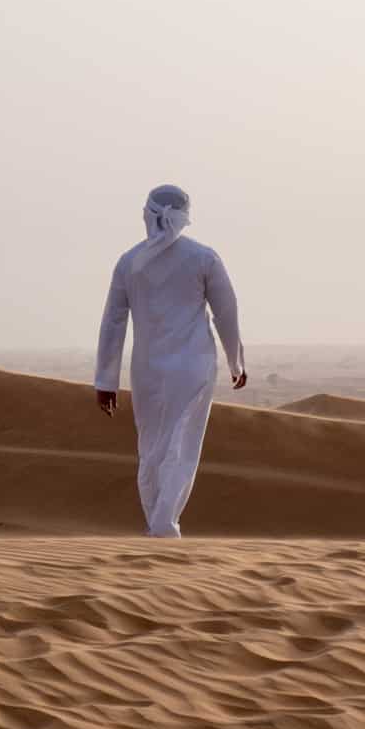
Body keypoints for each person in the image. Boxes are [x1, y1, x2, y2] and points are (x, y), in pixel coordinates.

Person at [95, 184, 247, 537]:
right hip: (194, 366)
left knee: (153, 446)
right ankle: (163, 523)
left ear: (148, 214)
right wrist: (235, 361)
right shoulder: (204, 257)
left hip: (149, 369)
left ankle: (159, 522)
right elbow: (227, 313)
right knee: (182, 443)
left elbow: (113, 323)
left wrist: (106, 380)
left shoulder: (129, 261)